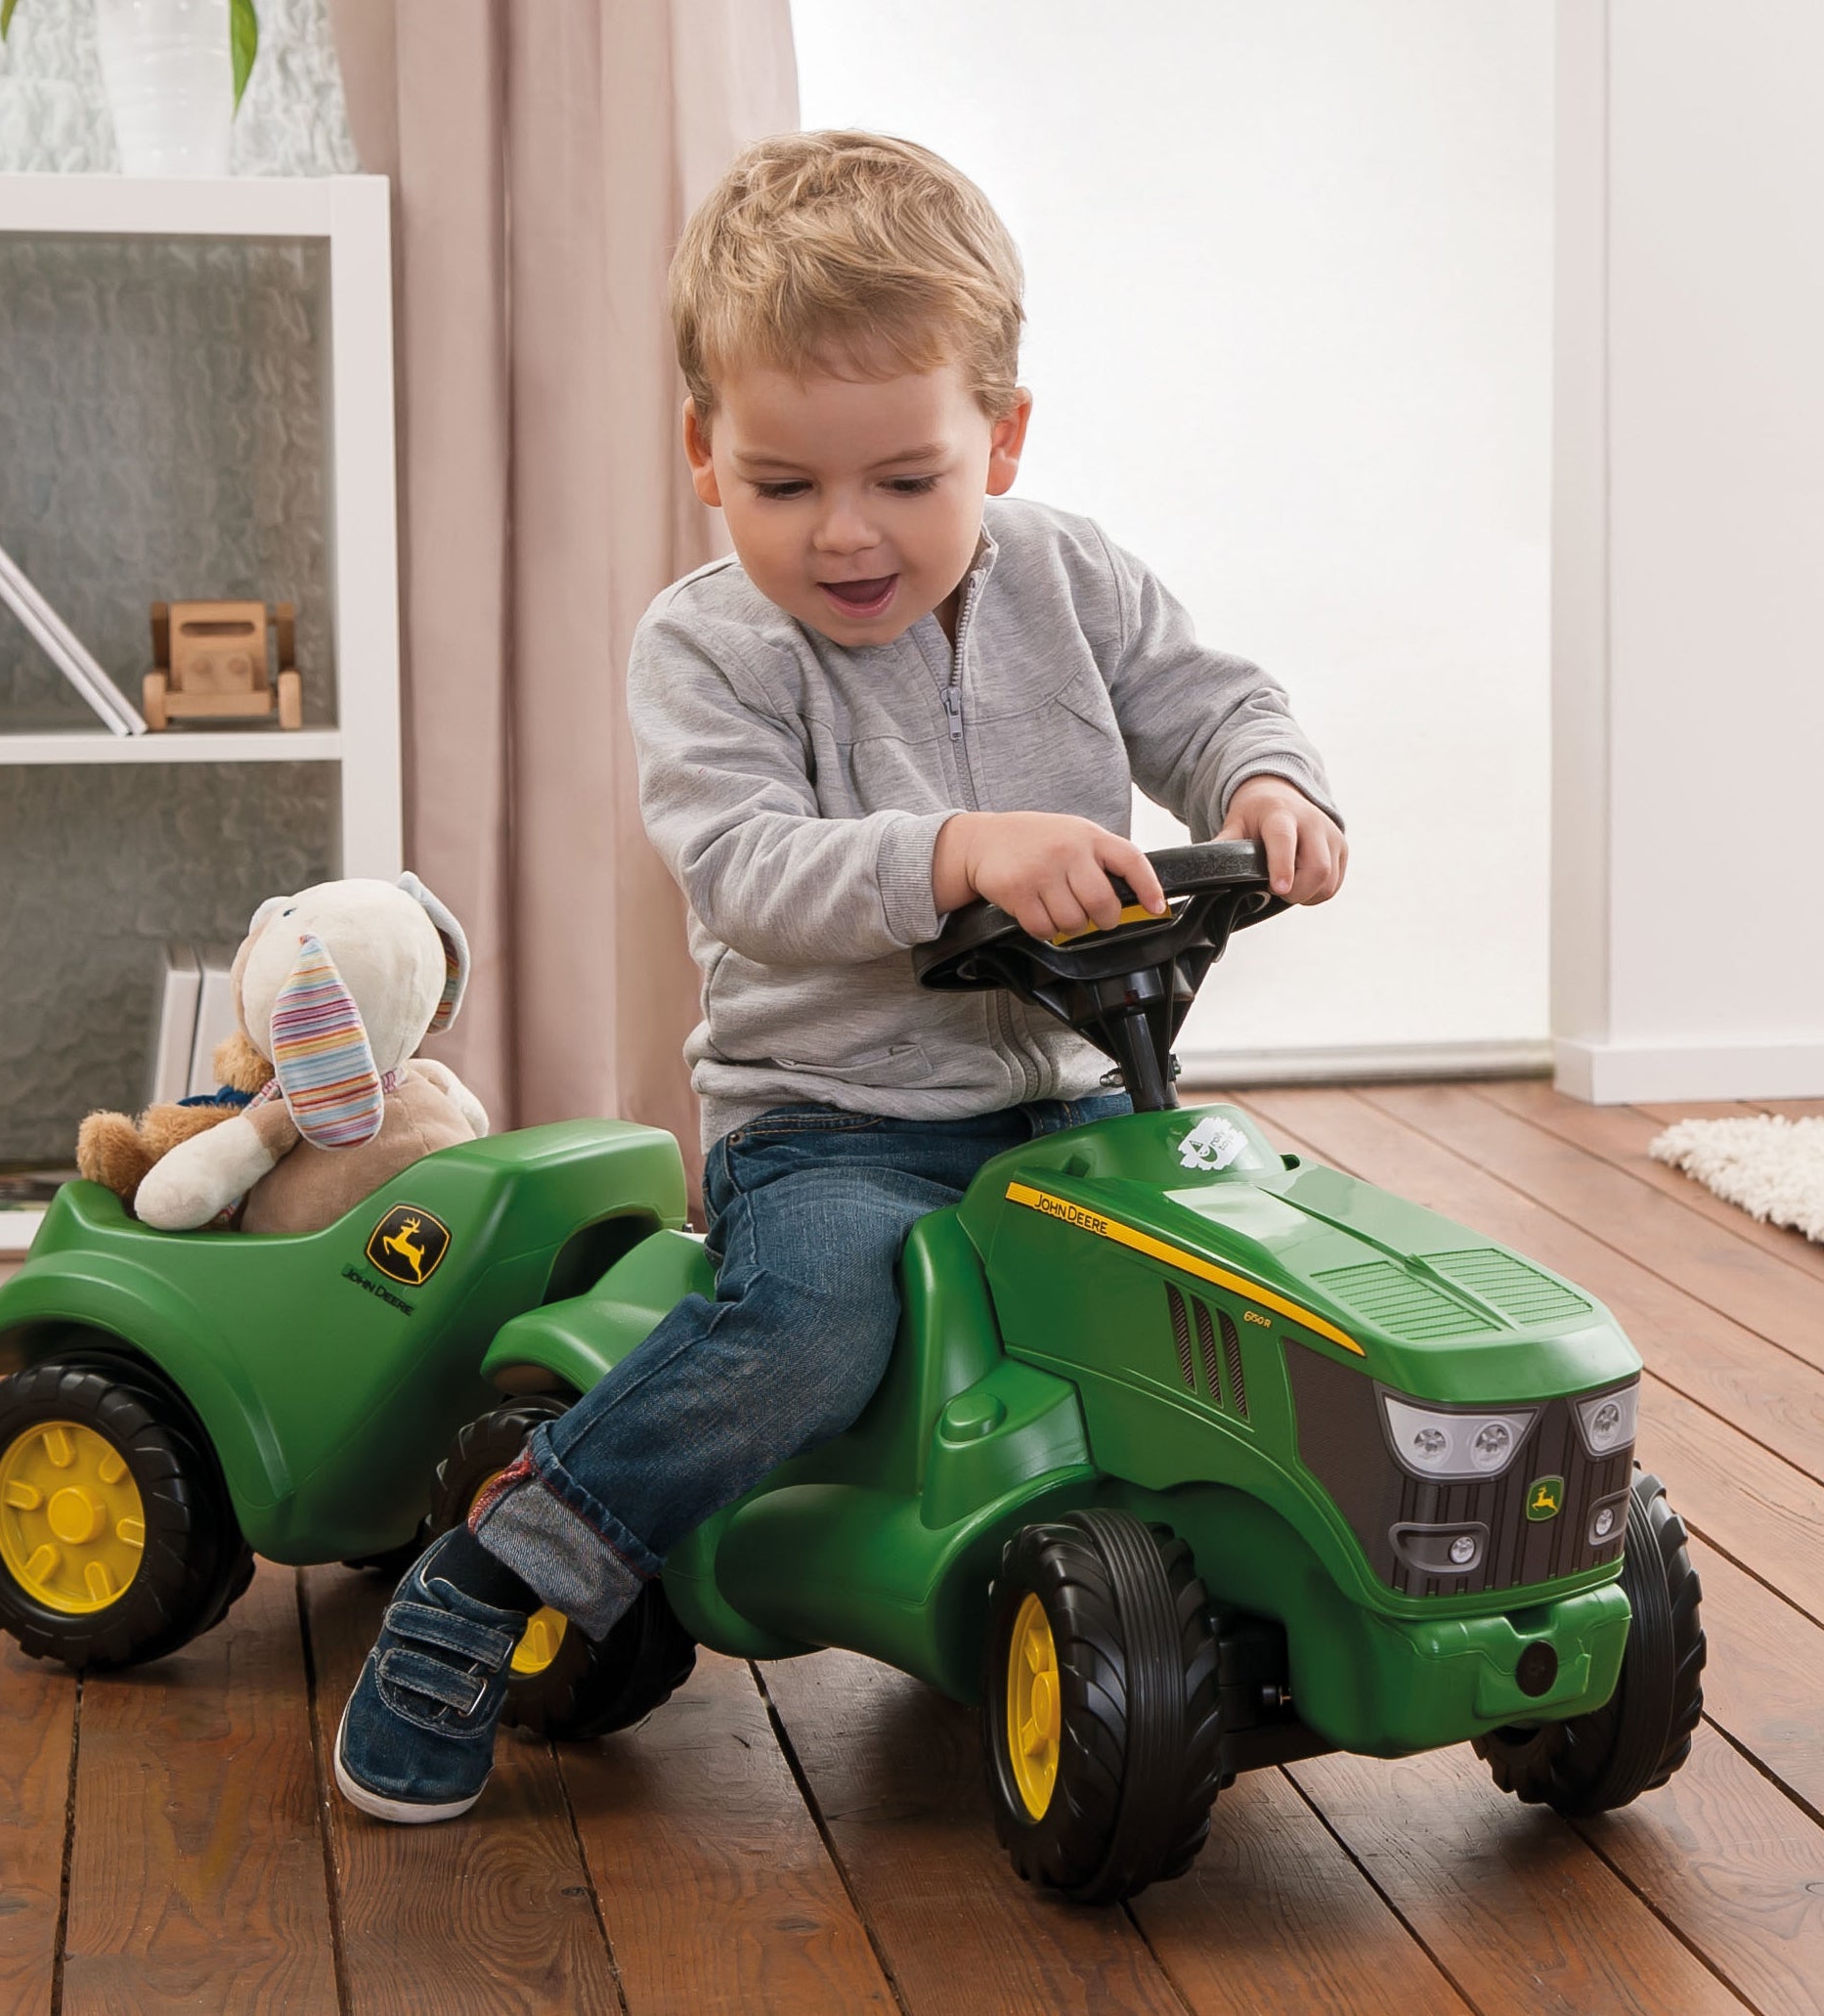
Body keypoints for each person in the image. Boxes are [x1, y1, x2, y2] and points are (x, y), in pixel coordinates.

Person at [332, 130, 1347, 1822]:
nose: (848, 534)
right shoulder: (708, 647)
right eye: (787, 484)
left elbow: (1213, 698)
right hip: (834, 1126)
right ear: (705, 455)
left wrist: (1270, 785)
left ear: (1000, 441)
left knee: (1251, 1263)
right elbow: (744, 866)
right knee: (815, 1320)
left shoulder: (1074, 580)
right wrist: (957, 849)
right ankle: (490, 1582)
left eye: (905, 477)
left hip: (1083, 1099)